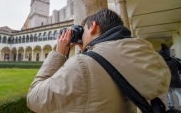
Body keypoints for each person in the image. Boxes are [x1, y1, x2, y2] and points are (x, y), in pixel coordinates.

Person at [27, 8, 171, 113]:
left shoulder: (82, 65)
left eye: (84, 30)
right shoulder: (139, 55)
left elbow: (33, 99)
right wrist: (88, 50)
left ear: (93, 26)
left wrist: (59, 53)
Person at [159, 44, 181, 110]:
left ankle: (171, 106)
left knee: (169, 94)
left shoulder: (161, 63)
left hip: (166, 80)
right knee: (179, 94)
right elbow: (180, 70)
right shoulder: (175, 61)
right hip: (176, 80)